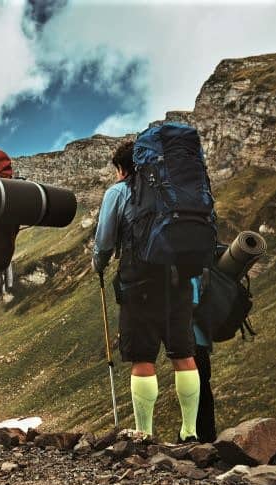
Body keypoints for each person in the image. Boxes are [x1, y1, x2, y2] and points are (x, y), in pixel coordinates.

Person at [92, 140, 201, 442]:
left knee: (143, 358)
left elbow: (104, 241)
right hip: (177, 282)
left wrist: (97, 264)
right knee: (183, 354)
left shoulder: (119, 191)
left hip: (138, 285)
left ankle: (144, 435)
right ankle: (189, 432)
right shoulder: (172, 188)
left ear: (122, 168)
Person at [191, 278, 217, 443]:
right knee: (203, 386)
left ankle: (197, 435)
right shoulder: (199, 267)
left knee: (195, 386)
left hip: (191, 338)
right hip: (201, 337)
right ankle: (207, 434)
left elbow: (192, 303)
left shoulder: (188, 271)